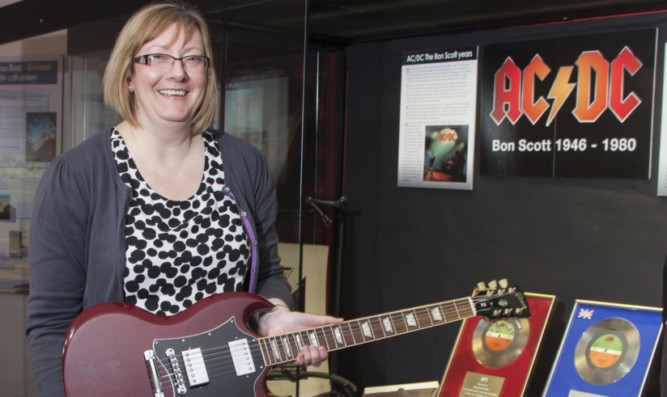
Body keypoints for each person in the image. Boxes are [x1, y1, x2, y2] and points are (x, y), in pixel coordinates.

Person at [25, 2, 341, 396]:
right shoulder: (77, 176)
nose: (177, 71)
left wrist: (274, 317)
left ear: (206, 73)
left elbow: (267, 273)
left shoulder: (243, 163)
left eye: (193, 58)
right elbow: (52, 326)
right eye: (157, 56)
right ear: (128, 73)